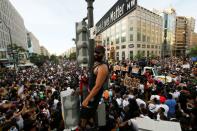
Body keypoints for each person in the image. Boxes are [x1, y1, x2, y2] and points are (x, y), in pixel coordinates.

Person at [81, 45, 109, 128]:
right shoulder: (96, 63)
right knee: (88, 114)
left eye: (98, 53)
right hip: (91, 93)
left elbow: (97, 87)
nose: (96, 54)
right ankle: (90, 122)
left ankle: (86, 126)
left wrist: (87, 99)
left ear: (103, 54)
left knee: (85, 115)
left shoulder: (103, 67)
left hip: (94, 96)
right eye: (95, 52)